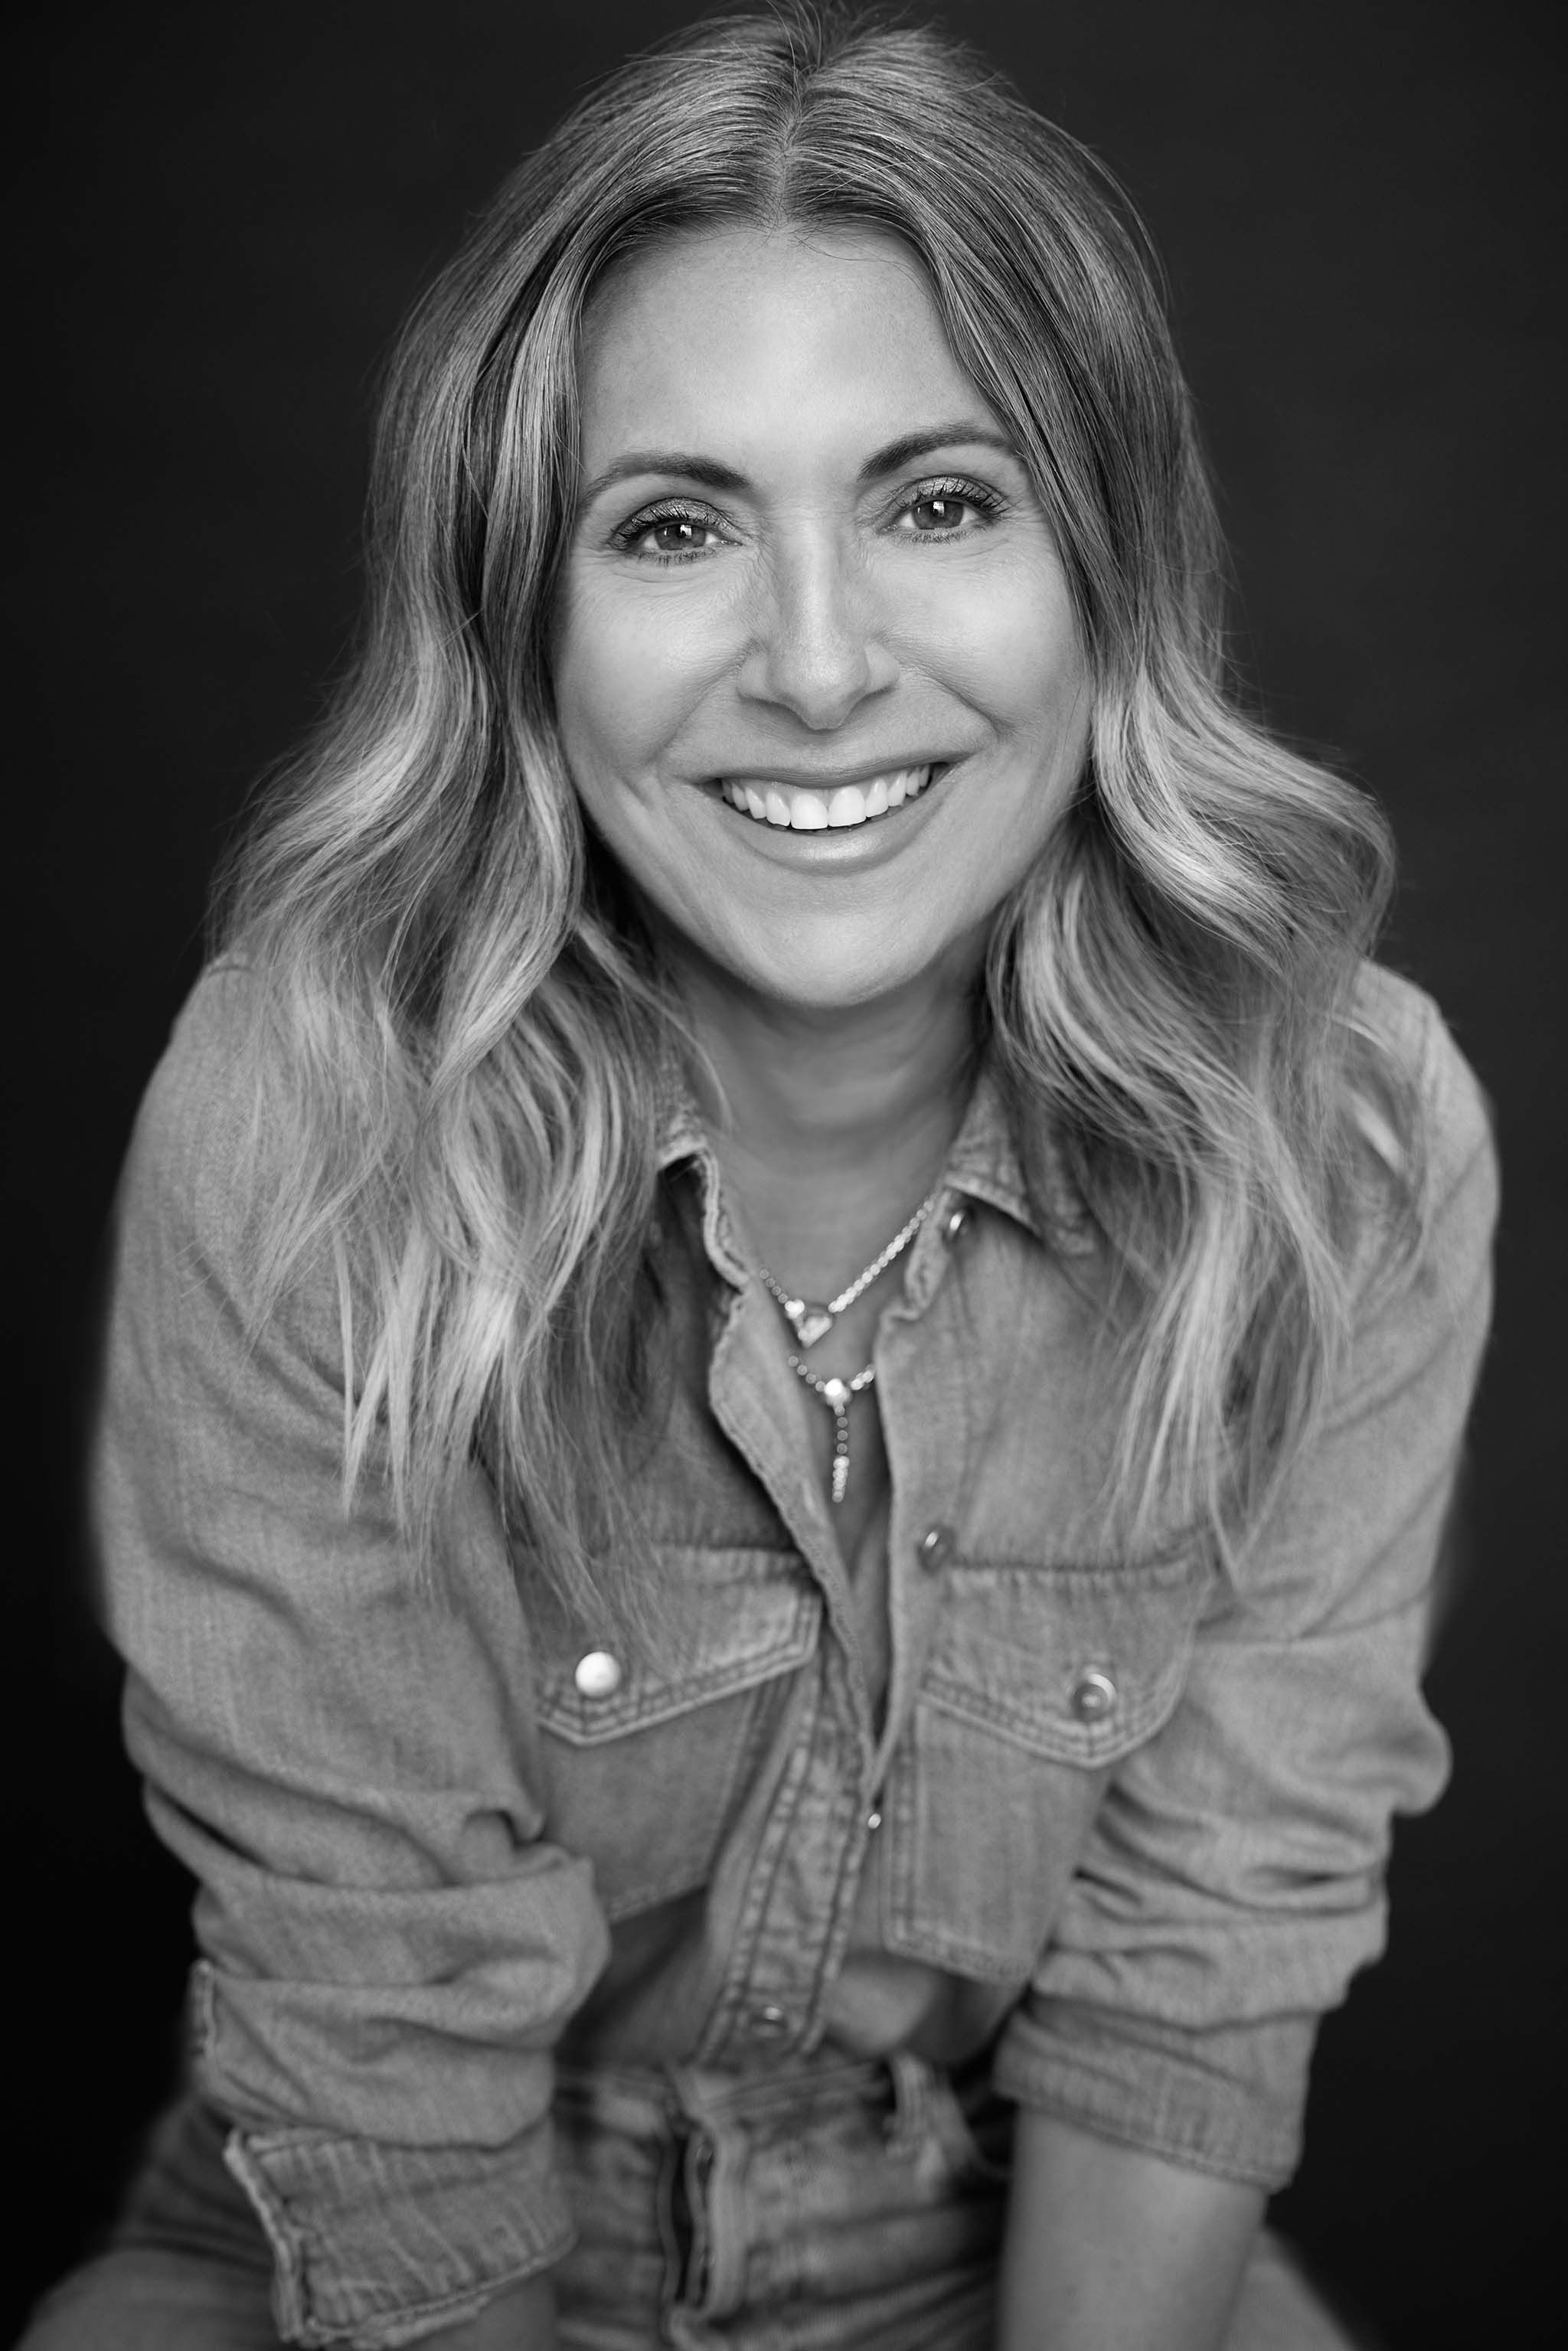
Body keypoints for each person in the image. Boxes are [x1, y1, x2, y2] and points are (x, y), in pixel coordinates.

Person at [24, 5, 1497, 2347]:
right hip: (365, 2224)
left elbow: (1201, 1970)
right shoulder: (312, 1112)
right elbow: (374, 2030)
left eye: (937, 502)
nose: (817, 665)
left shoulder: (1348, 1147)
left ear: (1101, 566)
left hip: (1004, 2223)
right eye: (677, 525)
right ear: (527, 627)